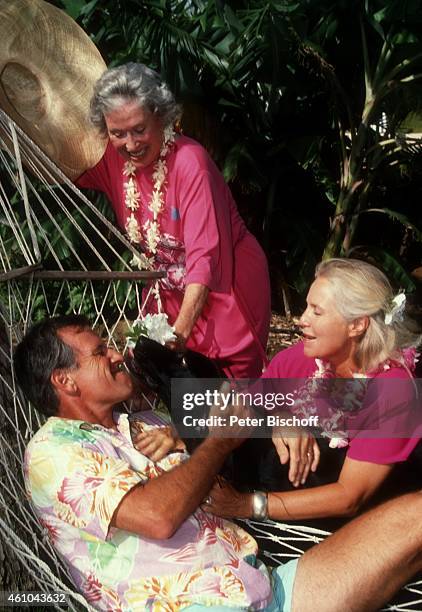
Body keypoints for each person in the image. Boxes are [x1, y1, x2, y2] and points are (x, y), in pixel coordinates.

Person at [15, 315, 422, 611]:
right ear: (65, 381)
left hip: (268, 587)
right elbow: (158, 515)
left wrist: (283, 420)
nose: (118, 354)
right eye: (101, 352)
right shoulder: (52, 452)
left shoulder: (146, 422)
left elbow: (237, 438)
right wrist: (220, 440)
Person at [76, 62, 271, 378]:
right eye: (117, 133)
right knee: (172, 394)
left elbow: (205, 256)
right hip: (165, 293)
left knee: (230, 402)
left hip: (226, 289)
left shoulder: (190, 162)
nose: (131, 144)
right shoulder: (112, 159)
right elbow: (64, 163)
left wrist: (178, 331)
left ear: (161, 115)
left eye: (139, 129)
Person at [204, 258, 422, 521]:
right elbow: (241, 404)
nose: (301, 319)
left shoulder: (393, 391)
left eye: (316, 312)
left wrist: (249, 505)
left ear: (357, 325)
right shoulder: (300, 357)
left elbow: (349, 496)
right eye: (306, 307)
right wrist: (280, 418)